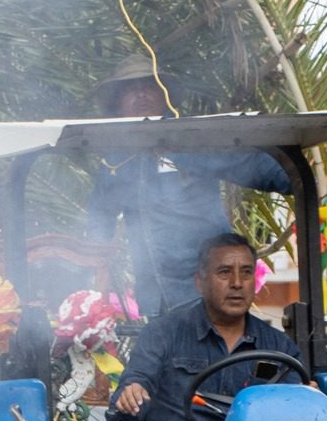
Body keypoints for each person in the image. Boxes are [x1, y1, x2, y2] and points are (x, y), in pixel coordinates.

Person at [112, 233, 300, 421]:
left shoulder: (279, 347)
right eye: (225, 272)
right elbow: (138, 379)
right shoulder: (164, 333)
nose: (237, 283)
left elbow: (295, 410)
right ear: (200, 281)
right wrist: (132, 391)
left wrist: (306, 400)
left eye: (246, 272)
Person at [86, 55, 293, 316]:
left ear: (165, 96)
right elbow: (99, 217)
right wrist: (92, 268)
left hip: (207, 292)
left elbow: (254, 166)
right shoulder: (114, 163)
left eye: (149, 86)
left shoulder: (193, 140)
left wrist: (300, 177)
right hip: (154, 297)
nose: (140, 94)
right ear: (118, 104)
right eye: (129, 89)